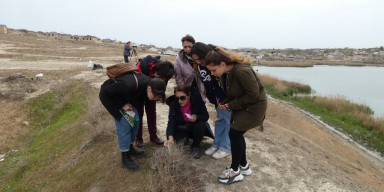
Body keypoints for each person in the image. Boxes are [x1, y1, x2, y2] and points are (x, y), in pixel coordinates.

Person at [204, 46, 267, 184]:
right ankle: (244, 166)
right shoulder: (228, 72)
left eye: (214, 70)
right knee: (236, 134)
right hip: (245, 106)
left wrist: (230, 105)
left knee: (234, 133)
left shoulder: (242, 71)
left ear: (222, 64)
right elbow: (232, 94)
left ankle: (235, 171)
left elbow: (253, 95)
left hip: (254, 107)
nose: (213, 74)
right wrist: (225, 102)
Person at [99, 73, 166, 171]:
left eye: (159, 97)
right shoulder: (129, 85)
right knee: (124, 125)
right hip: (110, 99)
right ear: (149, 89)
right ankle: (125, 158)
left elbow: (134, 96)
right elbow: (106, 92)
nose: (156, 99)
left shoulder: (147, 84)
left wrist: (127, 103)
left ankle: (130, 149)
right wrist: (122, 105)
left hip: (124, 100)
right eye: (156, 96)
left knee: (135, 123)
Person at [190, 42, 231, 159]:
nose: (198, 62)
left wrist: (226, 99)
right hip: (216, 98)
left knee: (228, 122)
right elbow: (206, 81)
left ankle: (226, 147)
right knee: (220, 121)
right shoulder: (199, 65)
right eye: (195, 60)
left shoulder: (216, 61)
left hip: (225, 98)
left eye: (198, 59)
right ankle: (217, 143)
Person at [163, 84, 214, 159]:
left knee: (201, 124)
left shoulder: (197, 99)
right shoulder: (174, 104)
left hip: (195, 127)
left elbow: (205, 116)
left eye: (182, 98)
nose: (179, 101)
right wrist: (170, 138)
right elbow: (171, 122)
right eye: (177, 98)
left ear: (189, 95)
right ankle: (185, 139)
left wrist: (196, 117)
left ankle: (195, 146)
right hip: (181, 128)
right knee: (180, 148)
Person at [135, 57, 175, 147]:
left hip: (153, 92)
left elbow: (162, 87)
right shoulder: (145, 66)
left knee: (152, 113)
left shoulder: (166, 73)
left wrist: (156, 96)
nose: (164, 80)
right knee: (139, 113)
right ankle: (138, 137)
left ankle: (153, 136)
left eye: (166, 79)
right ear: (157, 72)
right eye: (162, 78)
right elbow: (137, 81)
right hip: (139, 92)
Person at [174, 34, 205, 100]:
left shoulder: (199, 56)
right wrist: (184, 92)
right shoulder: (179, 59)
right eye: (185, 47)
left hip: (199, 87)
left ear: (194, 45)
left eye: (189, 46)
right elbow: (178, 78)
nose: (187, 49)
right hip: (187, 88)